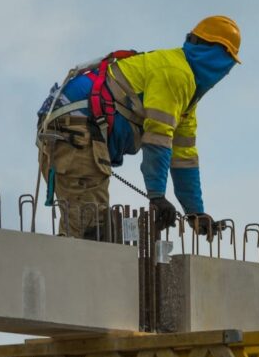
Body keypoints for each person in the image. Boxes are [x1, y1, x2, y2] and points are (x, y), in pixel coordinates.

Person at [36, 15, 241, 240]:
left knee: (90, 229)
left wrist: (195, 212)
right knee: (89, 230)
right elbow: (157, 140)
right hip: (74, 127)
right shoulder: (176, 73)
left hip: (73, 125)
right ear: (216, 57)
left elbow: (184, 159)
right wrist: (157, 196)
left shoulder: (186, 99)